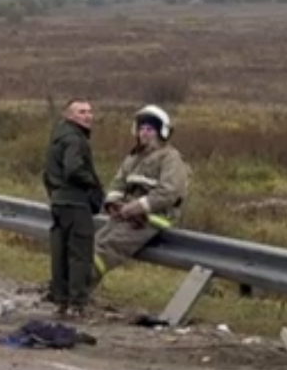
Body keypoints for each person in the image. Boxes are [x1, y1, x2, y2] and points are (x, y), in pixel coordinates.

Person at [95, 104, 191, 286]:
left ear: (161, 132)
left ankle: (75, 290)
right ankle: (69, 289)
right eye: (142, 129)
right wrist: (113, 204)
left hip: (153, 218)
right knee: (95, 243)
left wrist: (136, 207)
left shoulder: (170, 158)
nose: (144, 133)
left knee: (106, 249)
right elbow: (118, 184)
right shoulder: (133, 157)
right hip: (127, 215)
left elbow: (168, 192)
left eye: (150, 129)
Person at [42, 98, 105, 317]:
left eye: (89, 111)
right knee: (80, 254)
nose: (88, 116)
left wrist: (54, 194)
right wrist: (93, 183)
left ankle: (61, 300)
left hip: (59, 203)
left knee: (60, 254)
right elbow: (73, 169)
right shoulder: (75, 139)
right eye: (81, 112)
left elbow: (47, 174)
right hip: (76, 203)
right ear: (70, 116)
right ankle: (77, 303)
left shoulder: (57, 137)